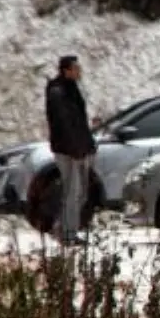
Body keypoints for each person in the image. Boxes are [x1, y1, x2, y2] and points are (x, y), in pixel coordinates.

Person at [45, 55, 96, 245]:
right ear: (66, 70)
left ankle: (62, 227)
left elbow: (80, 122)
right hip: (68, 150)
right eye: (75, 68)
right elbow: (65, 125)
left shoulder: (71, 89)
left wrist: (88, 145)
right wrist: (76, 149)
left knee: (80, 192)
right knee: (73, 193)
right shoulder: (58, 93)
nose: (79, 71)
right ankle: (68, 234)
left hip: (79, 147)